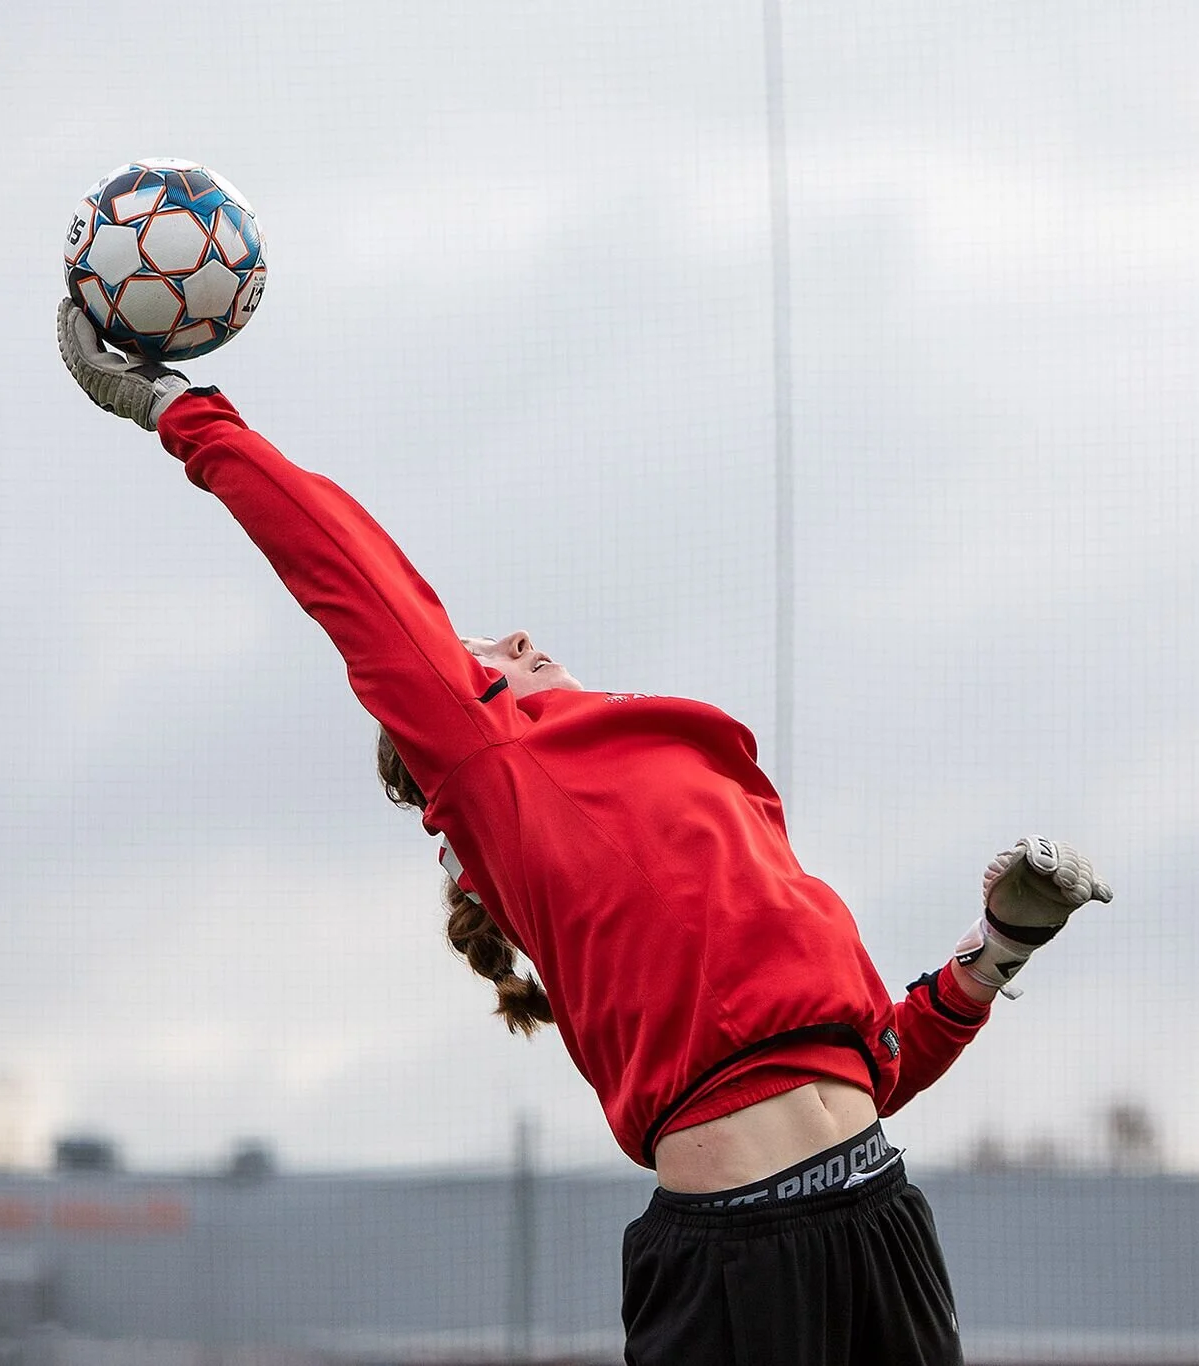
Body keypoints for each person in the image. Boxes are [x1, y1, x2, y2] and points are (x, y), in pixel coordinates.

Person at [57, 300, 1115, 1366]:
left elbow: (854, 1068)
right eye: (485, 652)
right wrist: (187, 414)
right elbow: (350, 578)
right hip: (726, 1266)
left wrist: (996, 953)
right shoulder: (500, 774)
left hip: (878, 1218)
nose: (516, 637)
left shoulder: (704, 779)